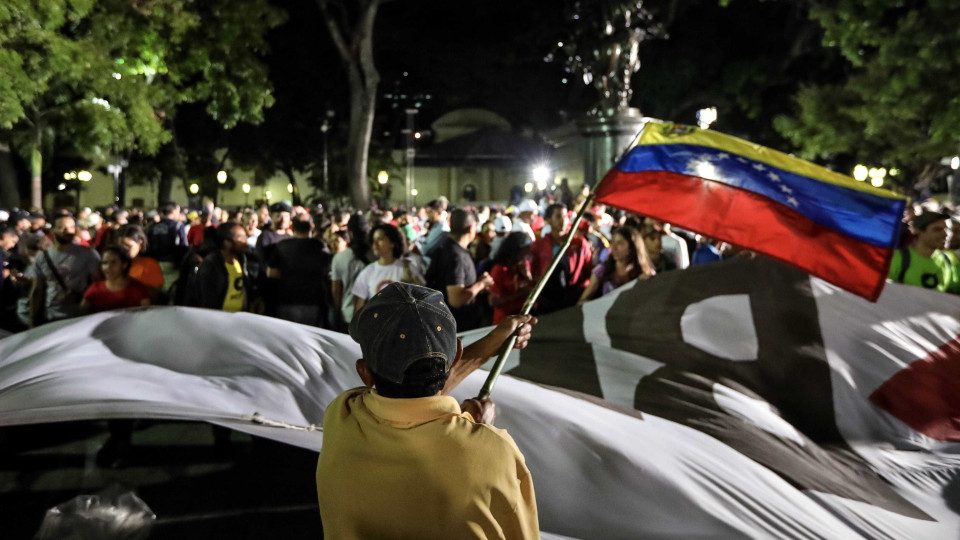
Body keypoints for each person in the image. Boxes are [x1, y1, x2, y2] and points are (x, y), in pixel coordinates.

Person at [317, 282, 540, 539]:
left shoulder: (341, 415)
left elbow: (411, 395)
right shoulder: (497, 453)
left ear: (364, 373)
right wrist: (480, 430)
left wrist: (493, 343)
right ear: (456, 354)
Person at [25, 215, 102, 326]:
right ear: (53, 230)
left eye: (71, 227)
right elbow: (37, 290)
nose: (68, 231)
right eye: (63, 227)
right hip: (51, 316)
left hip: (79, 316)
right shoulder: (42, 257)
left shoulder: (88, 253)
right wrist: (33, 320)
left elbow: (99, 284)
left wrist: (83, 296)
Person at [425, 209, 494, 331]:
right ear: (471, 229)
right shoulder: (456, 257)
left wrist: (475, 283)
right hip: (457, 329)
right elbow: (456, 299)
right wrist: (481, 284)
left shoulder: (446, 248)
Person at [266, 217, 331, 327]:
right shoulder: (320, 246)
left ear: (292, 227)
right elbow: (328, 271)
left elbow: (271, 273)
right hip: (312, 302)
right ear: (312, 227)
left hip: (286, 300)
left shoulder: (282, 246)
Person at [530, 203, 593, 315]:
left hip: (573, 299)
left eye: (565, 216)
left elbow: (589, 269)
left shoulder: (579, 243)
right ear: (548, 220)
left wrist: (583, 294)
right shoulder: (538, 245)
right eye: (558, 216)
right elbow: (533, 272)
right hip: (546, 301)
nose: (563, 221)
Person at [888, 209, 960, 293]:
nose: (946, 234)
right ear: (919, 231)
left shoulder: (949, 260)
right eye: (937, 229)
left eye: (949, 230)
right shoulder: (898, 258)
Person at [578, 225, 653, 303]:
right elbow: (582, 301)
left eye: (620, 243)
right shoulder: (602, 270)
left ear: (632, 246)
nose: (614, 247)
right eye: (612, 242)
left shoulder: (644, 273)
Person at [351, 223, 416, 312]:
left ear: (392, 243)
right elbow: (358, 308)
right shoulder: (368, 272)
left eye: (380, 239)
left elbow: (420, 300)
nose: (375, 244)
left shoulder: (407, 267)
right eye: (373, 240)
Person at [193, 222, 253, 312]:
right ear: (227, 242)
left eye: (245, 237)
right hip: (218, 319)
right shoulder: (211, 265)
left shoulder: (242, 259)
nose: (246, 241)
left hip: (239, 317)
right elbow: (205, 300)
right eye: (241, 238)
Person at [80, 246, 152, 314]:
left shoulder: (138, 289)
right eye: (105, 263)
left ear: (124, 264)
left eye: (113, 262)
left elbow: (147, 315)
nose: (108, 267)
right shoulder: (94, 290)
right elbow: (80, 315)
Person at [330, 213, 371, 329]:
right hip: (373, 314)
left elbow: (336, 291)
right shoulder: (377, 257)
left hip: (348, 314)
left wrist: (337, 313)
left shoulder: (339, 258)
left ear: (350, 233)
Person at [489, 231, 534, 324]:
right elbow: (494, 302)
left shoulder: (524, 265)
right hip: (505, 321)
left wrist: (528, 277)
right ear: (515, 251)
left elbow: (532, 288)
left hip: (524, 317)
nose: (527, 255)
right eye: (524, 252)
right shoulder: (500, 269)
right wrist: (519, 294)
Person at [146, 202, 188, 292]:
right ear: (173, 211)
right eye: (178, 211)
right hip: (172, 265)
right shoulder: (178, 225)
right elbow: (184, 246)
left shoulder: (152, 227)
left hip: (154, 265)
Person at [115, 225, 164, 291]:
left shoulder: (149, 265)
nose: (124, 249)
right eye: (121, 246)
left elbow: (155, 293)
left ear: (140, 243)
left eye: (129, 246)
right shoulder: (112, 263)